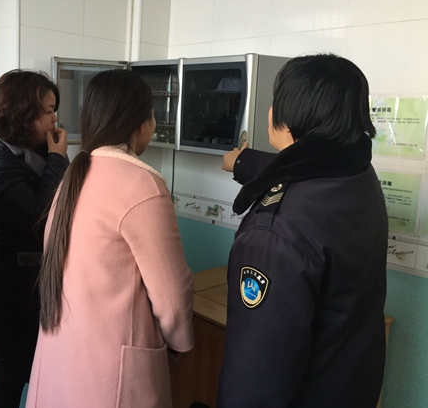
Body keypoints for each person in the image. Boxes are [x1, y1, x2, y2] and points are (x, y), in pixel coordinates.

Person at [216, 54, 388, 408]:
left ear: (288, 113)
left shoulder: (274, 233)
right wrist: (243, 162)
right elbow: (301, 165)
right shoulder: (357, 176)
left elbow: (256, 377)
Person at [27, 69, 194, 408]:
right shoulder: (142, 184)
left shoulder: (75, 174)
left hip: (63, 362)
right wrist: (179, 343)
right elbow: (173, 297)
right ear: (142, 124)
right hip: (109, 375)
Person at [0, 70, 69, 408]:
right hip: (10, 289)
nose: (54, 119)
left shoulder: (31, 149)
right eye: (48, 111)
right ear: (23, 113)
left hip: (36, 283)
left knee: (38, 370)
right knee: (9, 377)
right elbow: (39, 216)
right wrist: (57, 158)